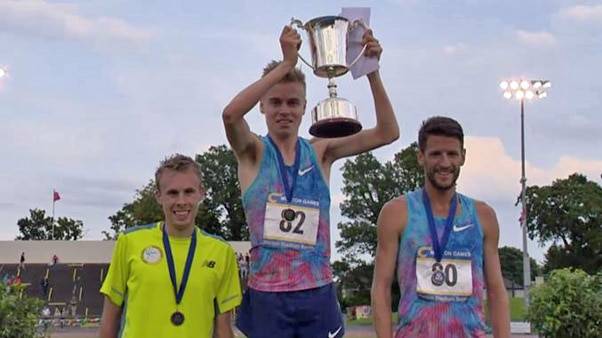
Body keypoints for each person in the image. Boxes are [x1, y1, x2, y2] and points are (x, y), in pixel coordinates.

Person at [222, 23, 399, 338]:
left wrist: (371, 69)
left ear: (305, 107)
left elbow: (388, 132)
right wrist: (287, 65)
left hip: (317, 291)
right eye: (275, 102)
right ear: (261, 105)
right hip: (267, 295)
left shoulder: (321, 153)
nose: (284, 111)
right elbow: (230, 116)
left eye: (293, 103)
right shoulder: (252, 153)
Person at [371, 116, 510, 337]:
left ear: (463, 156)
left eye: (452, 154)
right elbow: (381, 288)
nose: (445, 163)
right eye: (436, 154)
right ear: (420, 157)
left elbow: (496, 291)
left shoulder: (483, 216)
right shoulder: (397, 213)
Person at [99, 154, 242, 338]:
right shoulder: (130, 241)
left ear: (201, 193)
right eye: (172, 193)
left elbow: (223, 330)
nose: (181, 201)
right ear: (159, 196)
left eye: (189, 192)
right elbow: (109, 320)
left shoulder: (221, 252)